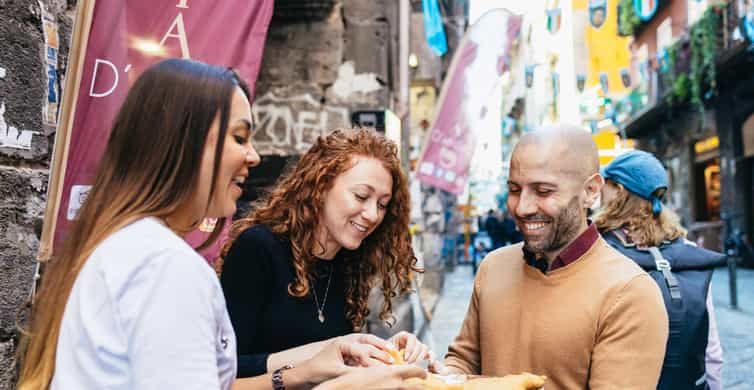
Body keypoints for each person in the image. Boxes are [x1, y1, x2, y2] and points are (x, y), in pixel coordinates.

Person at [17, 59, 425, 390]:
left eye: (383, 205)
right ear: (186, 143)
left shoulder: (130, 248)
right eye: (239, 137)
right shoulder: (165, 266)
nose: (253, 156)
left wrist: (329, 359)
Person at [440, 124, 669, 389]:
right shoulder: (493, 266)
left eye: (543, 191)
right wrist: (434, 376)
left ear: (591, 191)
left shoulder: (630, 294)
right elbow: (463, 359)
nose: (522, 207)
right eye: (514, 190)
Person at [219, 128, 430, 378]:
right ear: (319, 187)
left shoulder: (350, 261)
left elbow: (335, 365)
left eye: (382, 204)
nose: (373, 214)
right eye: (361, 196)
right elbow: (226, 368)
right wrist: (332, 349)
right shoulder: (258, 248)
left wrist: (384, 352)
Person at [594, 150, 725, 390]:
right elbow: (711, 351)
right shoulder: (686, 249)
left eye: (606, 184)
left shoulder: (597, 250)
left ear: (619, 191)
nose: (601, 191)